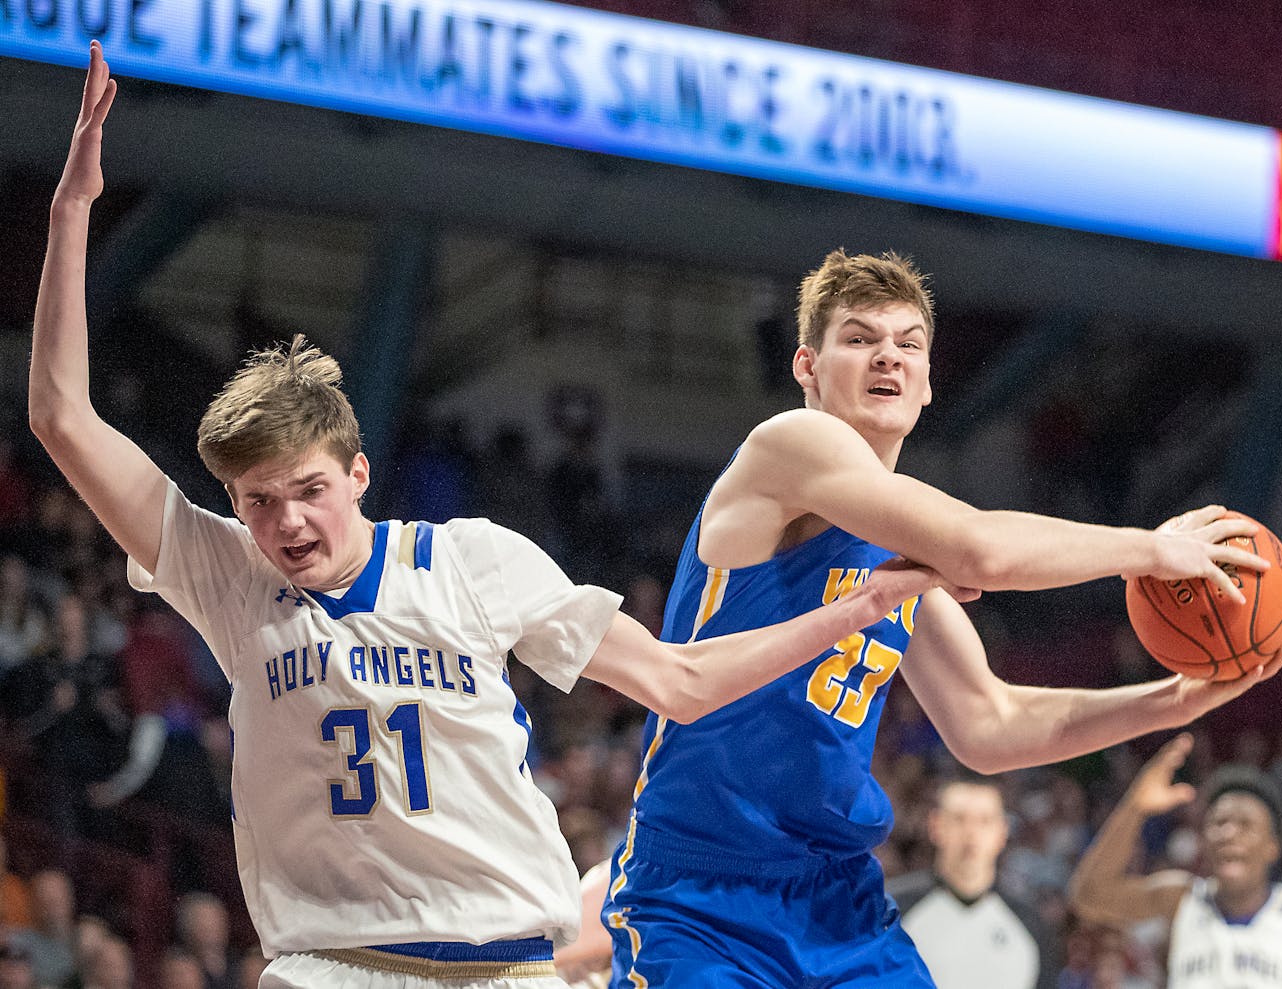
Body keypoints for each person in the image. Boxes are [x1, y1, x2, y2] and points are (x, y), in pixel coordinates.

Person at [30, 44, 941, 988]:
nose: (289, 522)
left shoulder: (469, 560)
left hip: (509, 967)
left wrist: (847, 614)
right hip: (328, 965)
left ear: (358, 474)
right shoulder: (230, 577)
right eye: (259, 503)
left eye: (308, 490)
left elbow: (677, 679)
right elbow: (61, 417)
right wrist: (72, 212)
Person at [603, 247, 1282, 988]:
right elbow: (979, 550)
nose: (888, 357)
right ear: (807, 365)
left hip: (835, 897)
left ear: (930, 381)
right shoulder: (790, 445)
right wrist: (1151, 550)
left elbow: (990, 723)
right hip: (703, 889)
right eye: (859, 338)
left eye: (908, 343)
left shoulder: (904, 552)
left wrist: (1173, 699)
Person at [1068, 733, 1282, 987]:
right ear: (1204, 839)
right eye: (1219, 823)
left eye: (1246, 825)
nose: (1229, 833)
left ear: (1272, 847)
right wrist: (1135, 807)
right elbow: (1087, 896)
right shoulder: (1180, 899)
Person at [886, 780, 1052, 989]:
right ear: (936, 825)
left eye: (984, 820)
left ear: (1002, 832)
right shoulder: (892, 910)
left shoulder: (1031, 921)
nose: (971, 833)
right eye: (959, 819)